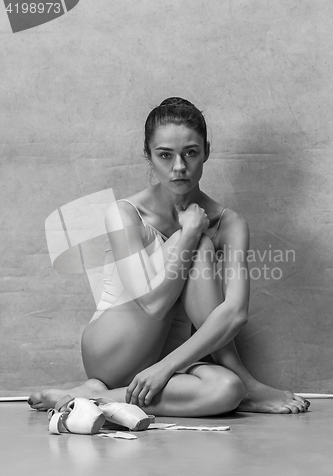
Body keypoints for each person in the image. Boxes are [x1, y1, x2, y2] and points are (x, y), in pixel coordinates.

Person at [28, 97, 310, 415]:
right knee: (200, 245)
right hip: (115, 347)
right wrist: (189, 234)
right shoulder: (124, 213)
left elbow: (235, 314)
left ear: (207, 151)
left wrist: (167, 366)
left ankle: (91, 399)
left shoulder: (230, 222)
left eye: (190, 152)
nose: (179, 167)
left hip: (171, 359)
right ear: (148, 155)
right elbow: (154, 305)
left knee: (227, 389)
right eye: (165, 155)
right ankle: (245, 384)